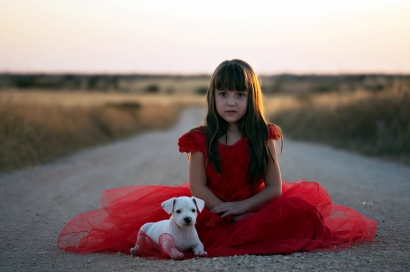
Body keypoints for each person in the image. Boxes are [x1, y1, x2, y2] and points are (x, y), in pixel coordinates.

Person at [58, 59, 377, 259]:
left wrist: (241, 208)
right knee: (183, 232)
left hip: (253, 207)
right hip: (210, 209)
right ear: (212, 97)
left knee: (301, 216)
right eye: (223, 93)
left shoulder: (261, 134)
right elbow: (197, 187)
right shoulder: (200, 137)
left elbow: (274, 189)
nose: (231, 101)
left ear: (252, 98)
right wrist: (223, 211)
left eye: (240, 94)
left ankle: (246, 226)